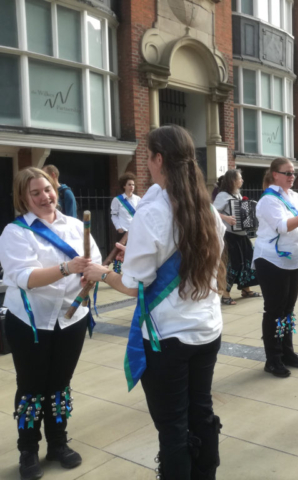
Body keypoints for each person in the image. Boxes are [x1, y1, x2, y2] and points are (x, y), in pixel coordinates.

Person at [84, 125, 227, 480]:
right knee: (201, 412)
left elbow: (134, 286)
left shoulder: (153, 212)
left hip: (168, 339)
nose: (146, 165)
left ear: (159, 159)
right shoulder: (207, 210)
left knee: (173, 427)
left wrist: (102, 273)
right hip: (208, 331)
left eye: (148, 157)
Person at [0, 167, 101, 480]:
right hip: (31, 322)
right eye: (36, 193)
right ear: (23, 198)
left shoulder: (74, 225)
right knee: (32, 388)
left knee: (59, 385)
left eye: (48, 189)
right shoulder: (15, 233)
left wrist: (91, 276)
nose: (45, 197)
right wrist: (68, 267)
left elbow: (95, 263)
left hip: (71, 319)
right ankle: (28, 449)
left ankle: (57, 442)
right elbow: (25, 277)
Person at [253, 158, 298, 378]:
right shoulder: (268, 200)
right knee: (274, 310)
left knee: (288, 309)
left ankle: (286, 351)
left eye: (293, 173)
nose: (292, 177)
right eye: (288, 173)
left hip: (294, 258)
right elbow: (282, 226)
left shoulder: (296, 197)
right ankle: (272, 358)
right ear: (275, 175)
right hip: (272, 260)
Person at [213, 169, 260, 305]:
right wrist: (226, 218)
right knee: (231, 264)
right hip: (229, 236)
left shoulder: (237, 195)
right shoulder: (222, 195)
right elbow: (211, 211)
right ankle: (225, 294)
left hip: (241, 235)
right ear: (233, 180)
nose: (242, 180)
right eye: (240, 178)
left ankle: (246, 289)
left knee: (248, 261)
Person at [110, 172, 141, 274]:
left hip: (135, 231)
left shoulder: (138, 199)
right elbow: (114, 214)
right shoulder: (117, 200)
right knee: (119, 253)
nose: (132, 186)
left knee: (135, 252)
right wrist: (118, 227)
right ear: (124, 186)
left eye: (133, 184)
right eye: (129, 184)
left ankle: (133, 273)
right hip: (123, 231)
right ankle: (116, 273)